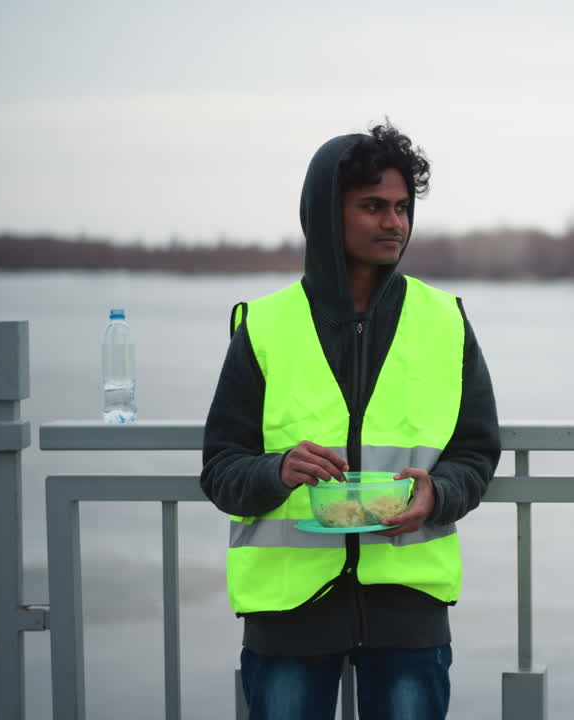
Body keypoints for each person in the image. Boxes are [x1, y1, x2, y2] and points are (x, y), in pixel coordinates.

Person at [201, 121, 501, 720]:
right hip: (287, 612)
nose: (394, 222)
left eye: (401, 207)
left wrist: (438, 494)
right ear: (324, 212)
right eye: (372, 206)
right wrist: (277, 470)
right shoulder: (264, 325)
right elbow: (220, 467)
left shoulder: (445, 321)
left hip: (409, 607)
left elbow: (477, 451)